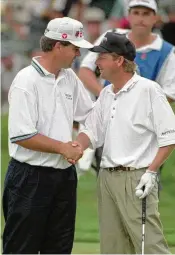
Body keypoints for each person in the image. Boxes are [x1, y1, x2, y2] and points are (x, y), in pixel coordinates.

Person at [70, 32, 175, 254]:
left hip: (137, 178)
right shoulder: (106, 93)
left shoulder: (149, 90)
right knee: (113, 247)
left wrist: (151, 172)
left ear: (119, 60)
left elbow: (169, 137)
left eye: (102, 57)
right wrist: (76, 147)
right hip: (106, 178)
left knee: (150, 246)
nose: (97, 62)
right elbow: (91, 131)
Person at [2, 17, 94, 254]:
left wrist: (79, 144)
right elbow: (22, 135)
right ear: (58, 45)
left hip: (64, 178)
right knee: (21, 249)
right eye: (75, 48)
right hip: (29, 179)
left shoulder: (69, 78)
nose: (77, 54)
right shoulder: (26, 80)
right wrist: (63, 148)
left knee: (59, 249)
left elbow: (91, 116)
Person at [78, 0, 175, 175]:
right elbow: (85, 70)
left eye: (146, 14)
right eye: (136, 13)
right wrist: (107, 97)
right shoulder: (111, 36)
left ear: (155, 18)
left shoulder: (167, 51)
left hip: (144, 131)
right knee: (108, 185)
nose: (140, 18)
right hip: (108, 126)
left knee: (143, 189)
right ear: (128, 16)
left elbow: (170, 93)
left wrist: (132, 106)